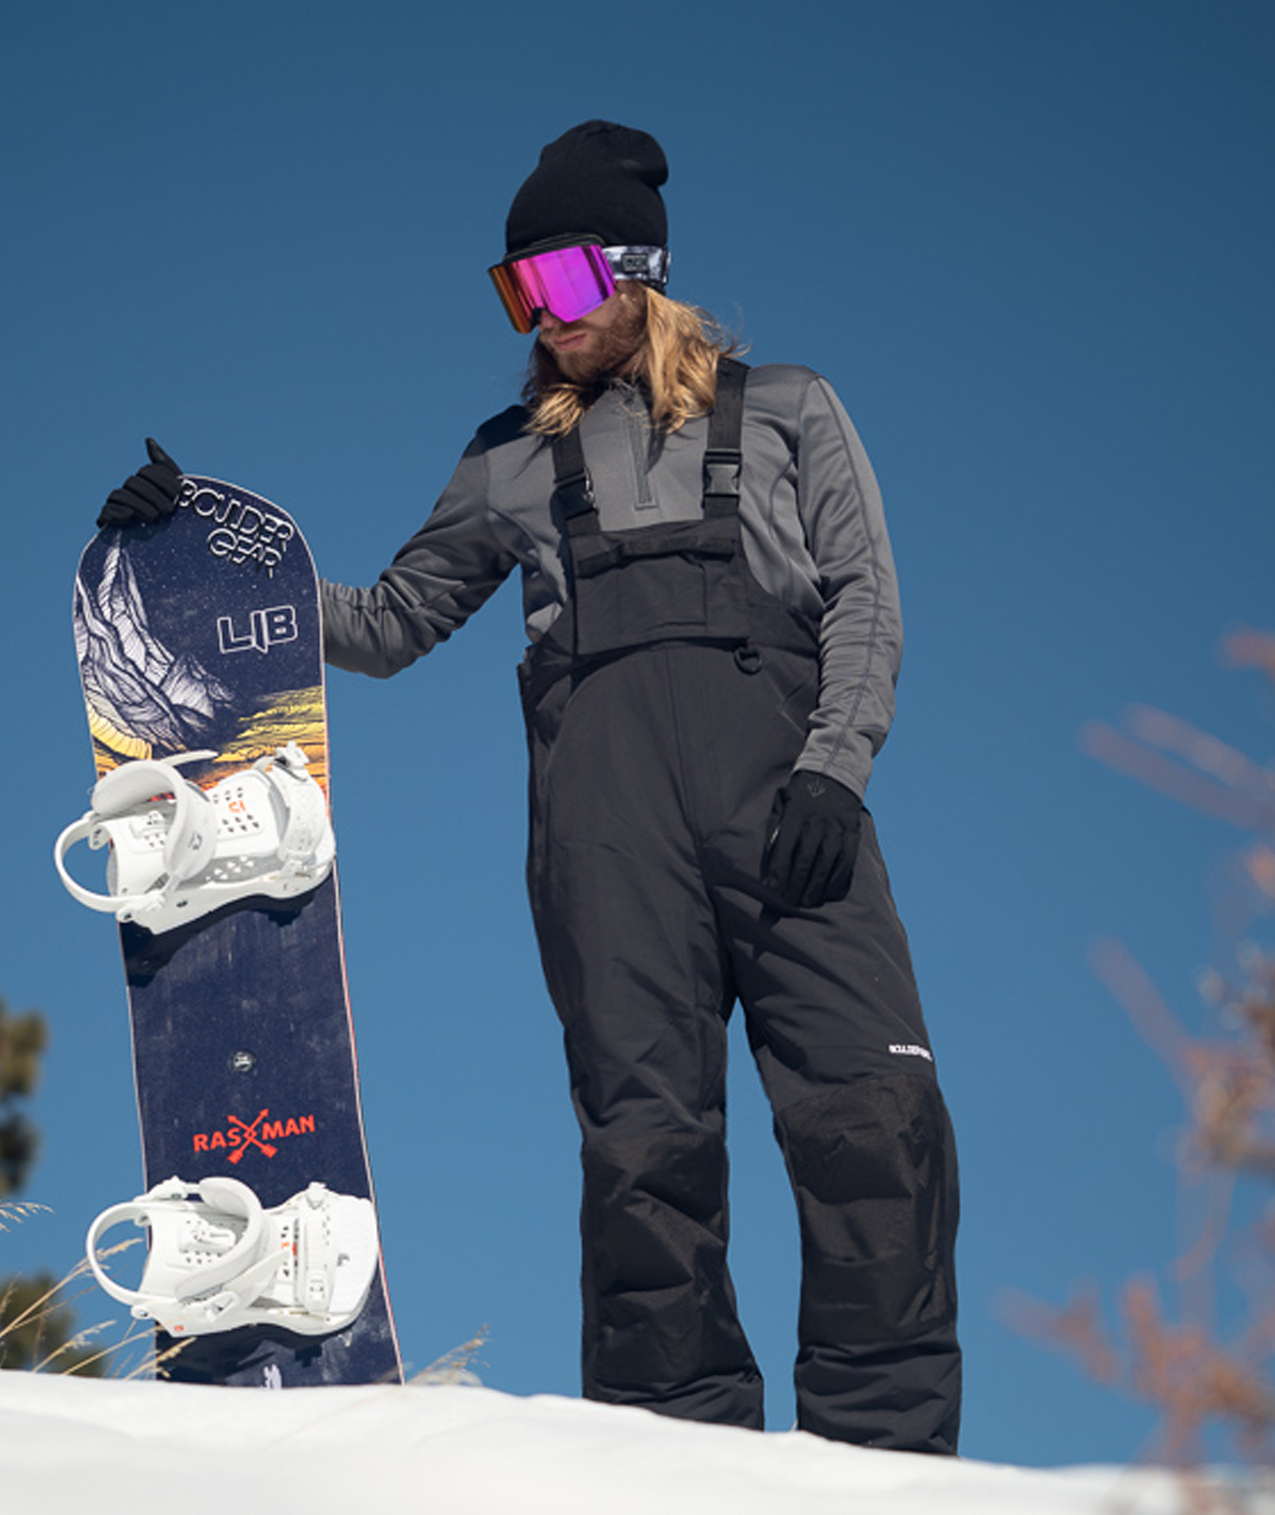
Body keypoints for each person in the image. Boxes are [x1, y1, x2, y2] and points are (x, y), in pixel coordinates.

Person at [100, 120, 961, 1453]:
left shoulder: (786, 408)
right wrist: (206, 546)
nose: (539, 322)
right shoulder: (509, 454)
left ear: (634, 271)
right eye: (515, 295)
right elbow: (390, 621)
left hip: (795, 812)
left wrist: (834, 771)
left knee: (870, 1117)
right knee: (643, 1153)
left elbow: (865, 601)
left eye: (555, 285)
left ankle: (891, 1462)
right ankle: (678, 1458)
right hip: (605, 838)